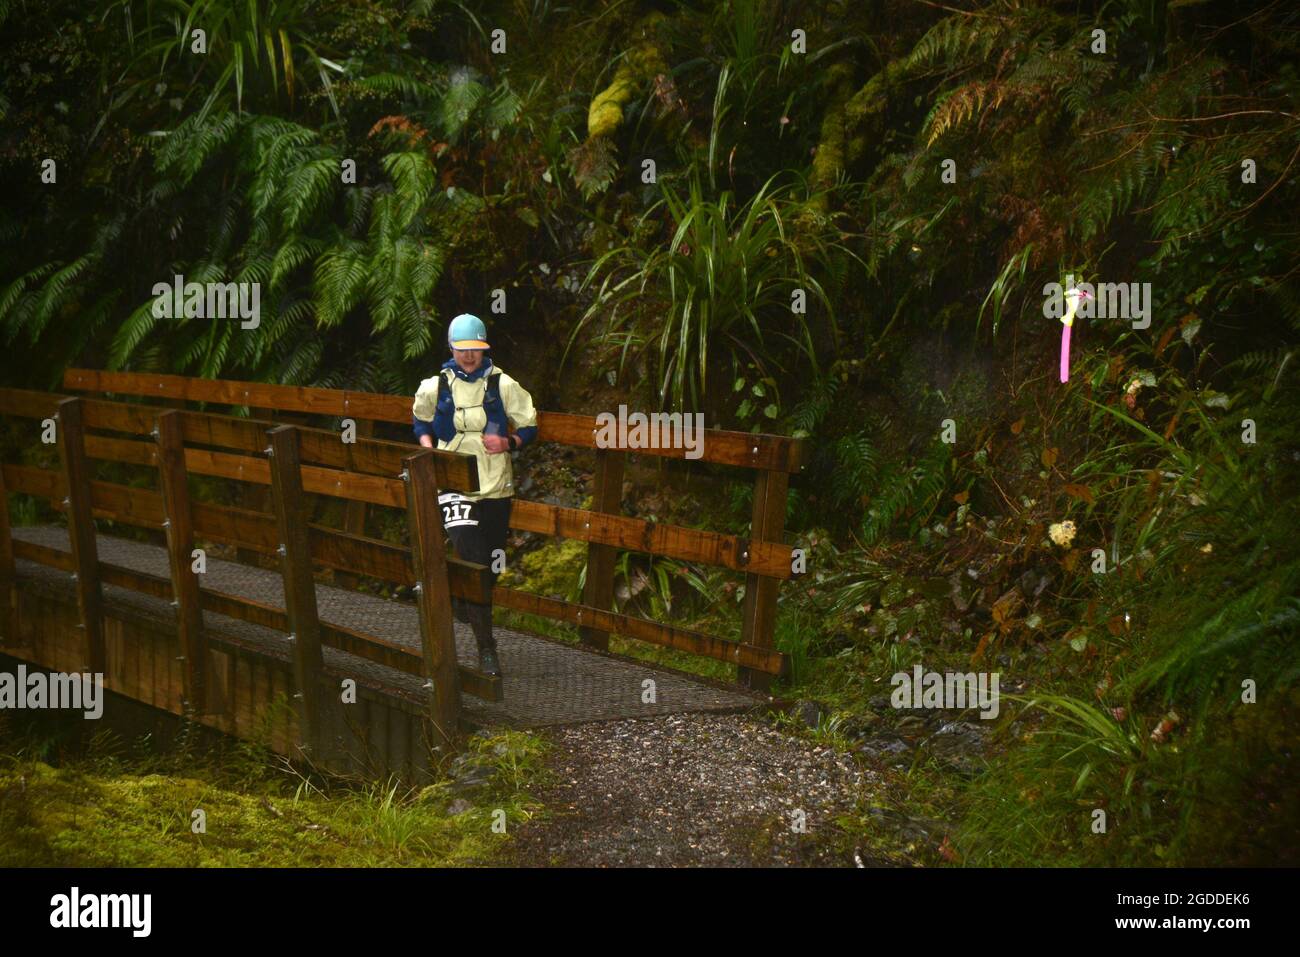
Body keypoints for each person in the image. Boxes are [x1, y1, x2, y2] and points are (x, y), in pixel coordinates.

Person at [411, 314, 537, 677]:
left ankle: (462, 599)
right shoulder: (436, 386)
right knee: (475, 559)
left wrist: (509, 441)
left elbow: (530, 424)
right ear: (450, 349)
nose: (469, 357)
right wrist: (427, 448)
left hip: (496, 484)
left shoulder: (503, 384)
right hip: (452, 484)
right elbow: (420, 419)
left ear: (485, 349)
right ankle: (487, 650)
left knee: (492, 564)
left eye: (475, 350)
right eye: (462, 350)